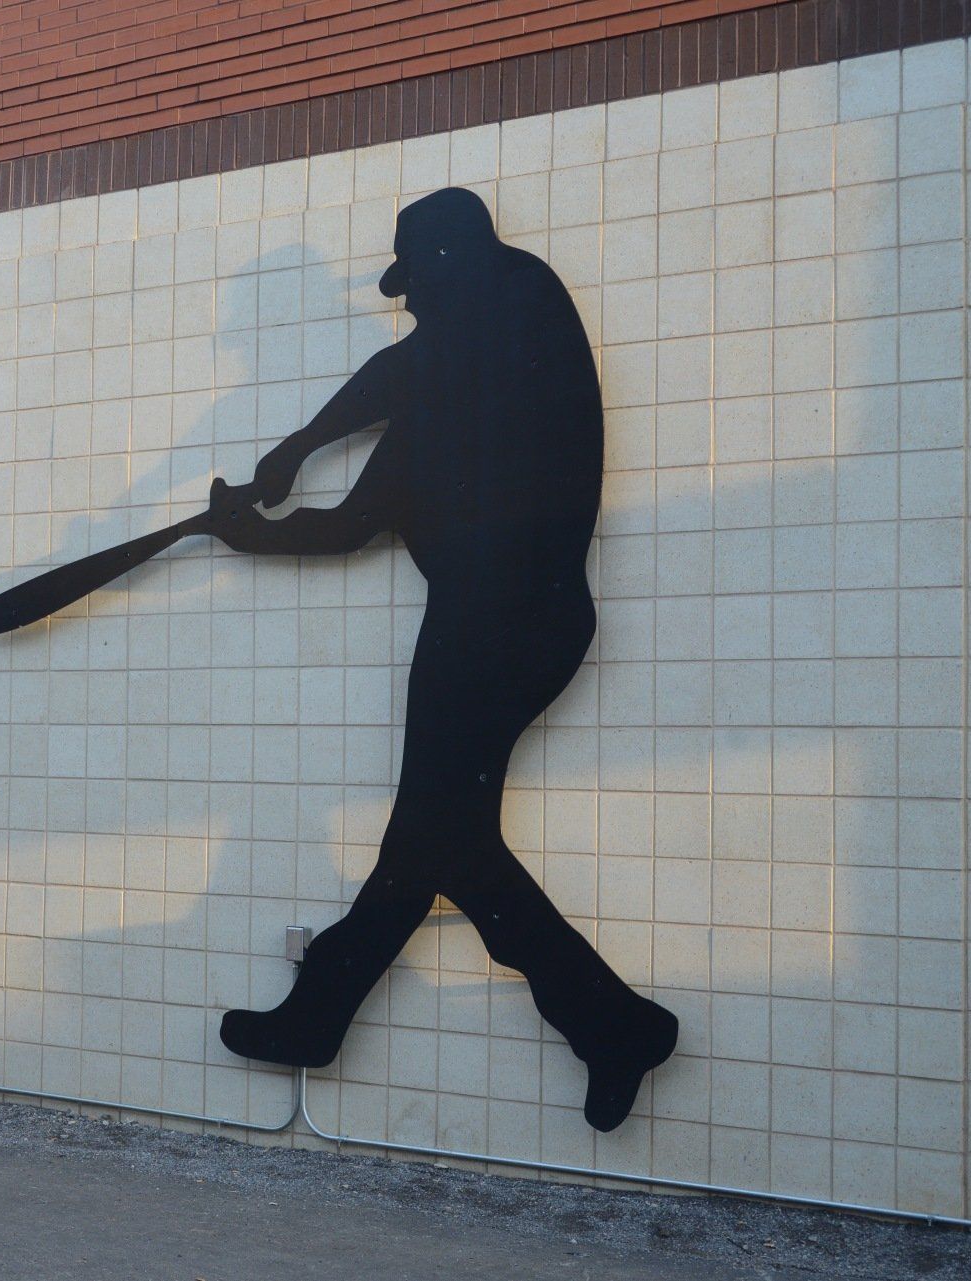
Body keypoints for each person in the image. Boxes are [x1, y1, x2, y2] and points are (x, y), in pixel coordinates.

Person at [207, 188, 677, 1132]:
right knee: (433, 839)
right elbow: (377, 445)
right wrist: (288, 467)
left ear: (453, 262)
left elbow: (357, 493)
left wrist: (276, 484)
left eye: (415, 282)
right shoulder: (475, 371)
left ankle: (614, 1022)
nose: (410, 301)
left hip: (496, 624)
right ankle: (326, 1017)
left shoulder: (510, 311)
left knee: (441, 838)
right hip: (502, 620)